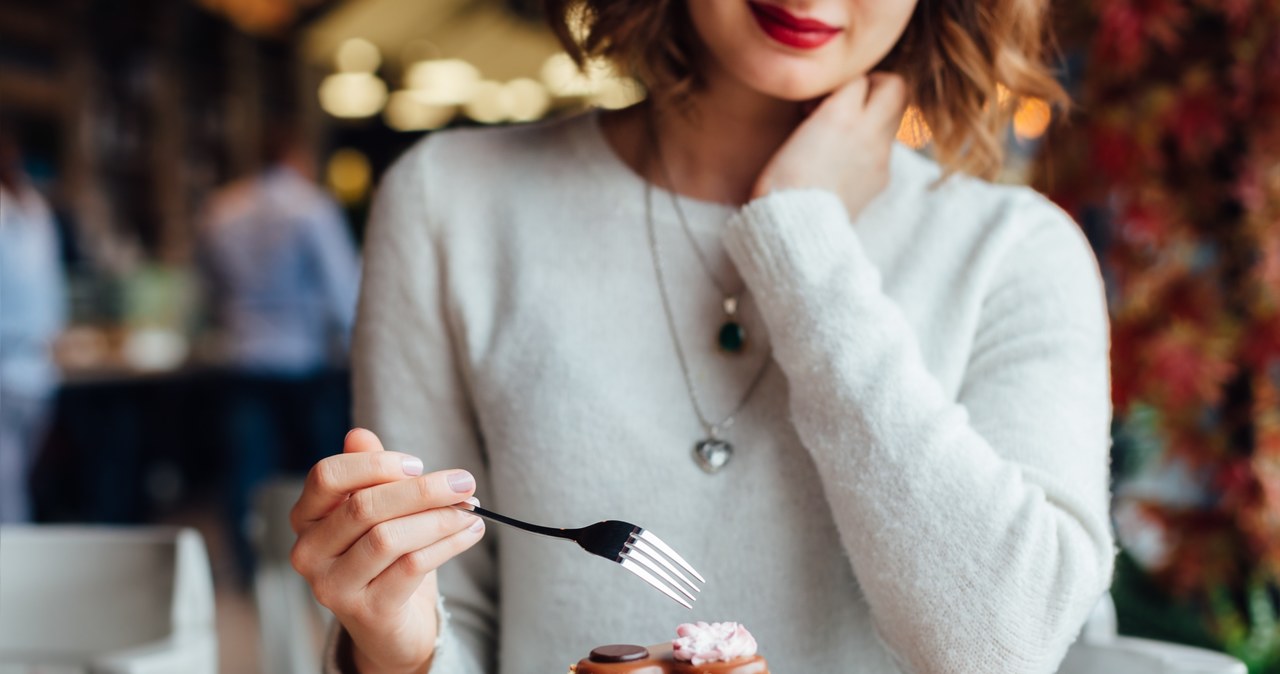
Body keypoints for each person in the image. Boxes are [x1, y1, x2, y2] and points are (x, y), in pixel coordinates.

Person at [292, 1, 1114, 672]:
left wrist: (801, 241)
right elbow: (450, 614)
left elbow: (1003, 646)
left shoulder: (1016, 251)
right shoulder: (451, 205)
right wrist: (396, 644)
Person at [198, 126, 360, 582]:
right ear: (295, 155)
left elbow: (209, 287)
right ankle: (321, 564)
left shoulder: (221, 207)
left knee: (245, 469)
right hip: (302, 358)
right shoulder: (311, 206)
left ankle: (249, 569)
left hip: (242, 354)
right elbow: (341, 290)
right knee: (319, 471)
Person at [0, 120, 67, 523]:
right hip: (19, 362)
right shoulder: (26, 207)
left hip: (29, 361)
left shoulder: (33, 208)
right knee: (9, 483)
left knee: (14, 481)